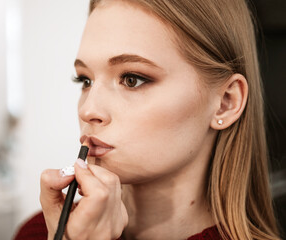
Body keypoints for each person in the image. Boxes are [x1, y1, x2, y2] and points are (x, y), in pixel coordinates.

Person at [14, 0, 281, 239]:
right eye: (85, 80)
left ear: (226, 103)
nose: (88, 110)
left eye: (132, 79)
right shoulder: (37, 232)